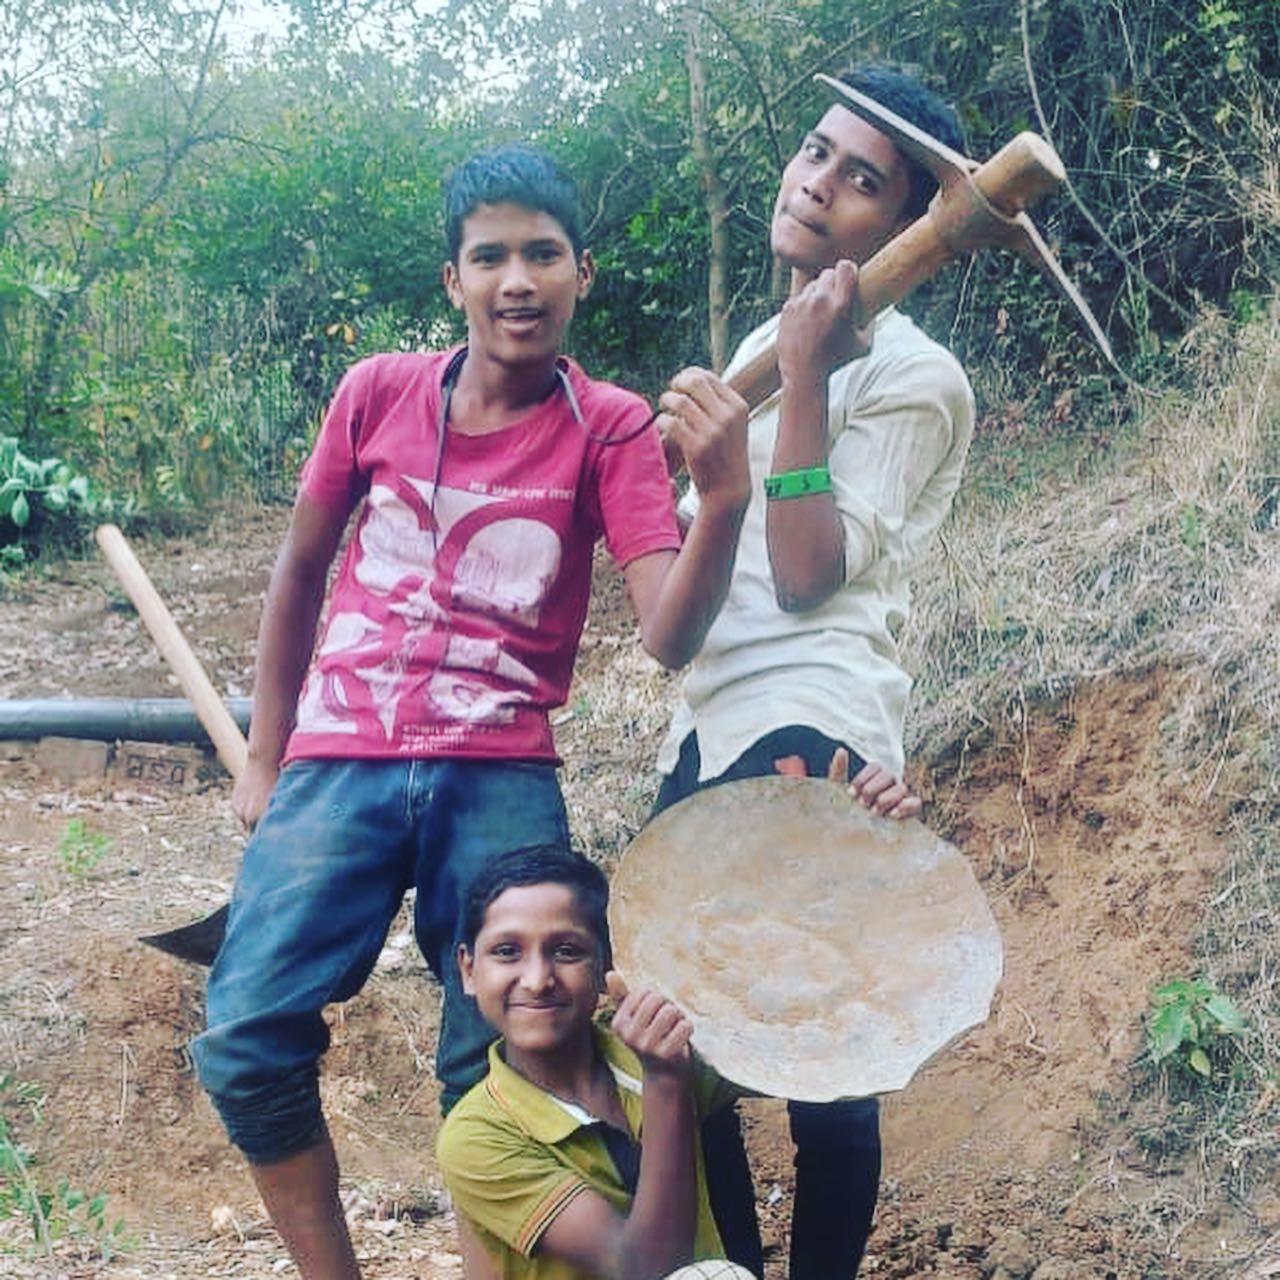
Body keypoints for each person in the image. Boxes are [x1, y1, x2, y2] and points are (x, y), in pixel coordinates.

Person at [191, 143, 750, 1280]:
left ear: (582, 272)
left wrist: (727, 496)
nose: (517, 280)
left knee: (501, 1051)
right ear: (453, 279)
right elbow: (300, 573)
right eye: (490, 256)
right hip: (341, 755)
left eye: (542, 253)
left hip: (498, 763)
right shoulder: (376, 392)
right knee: (244, 1038)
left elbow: (666, 633)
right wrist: (264, 756)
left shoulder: (609, 426)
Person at [651, 65, 976, 1279]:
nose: (818, 182)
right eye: (814, 151)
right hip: (708, 722)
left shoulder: (915, 377)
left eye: (861, 178)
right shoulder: (759, 343)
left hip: (814, 722)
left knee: (827, 1060)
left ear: (905, 224)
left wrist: (803, 377)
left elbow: (801, 575)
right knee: (684, 1041)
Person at [438, 845, 755, 1280]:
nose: (537, 980)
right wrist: (666, 1080)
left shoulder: (654, 1046)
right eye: (507, 951)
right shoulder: (476, 1135)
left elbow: (827, 1061)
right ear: (468, 970)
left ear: (607, 964)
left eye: (567, 951)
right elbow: (644, 1270)